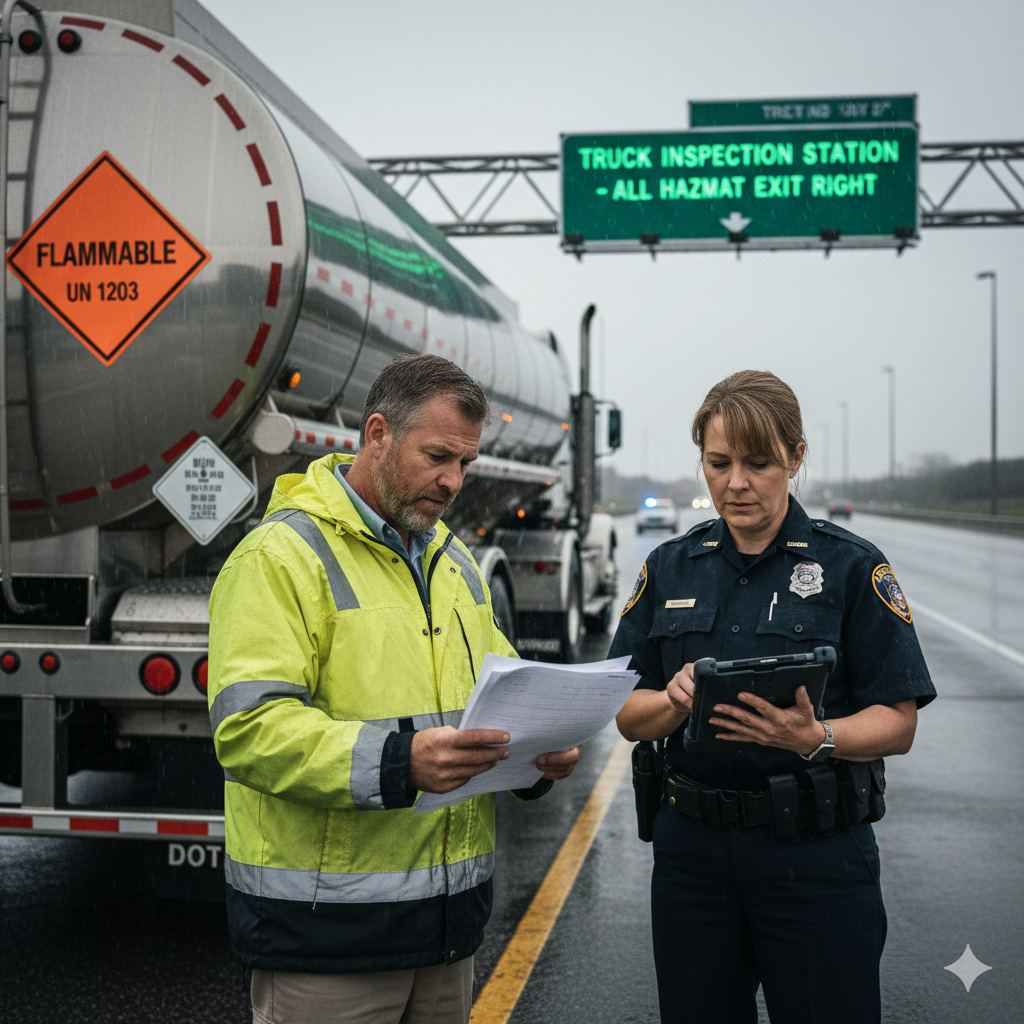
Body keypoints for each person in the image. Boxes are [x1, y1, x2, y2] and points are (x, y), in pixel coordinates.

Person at [208, 354, 579, 1024]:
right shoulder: (278, 559)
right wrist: (399, 762)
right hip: (326, 940)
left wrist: (539, 757)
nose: (453, 480)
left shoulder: (453, 561)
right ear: (377, 434)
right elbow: (249, 732)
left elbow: (505, 692)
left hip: (448, 936)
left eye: (465, 463)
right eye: (438, 456)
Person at [610, 370, 936, 1024]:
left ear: (795, 457)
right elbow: (625, 714)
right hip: (692, 861)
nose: (736, 483)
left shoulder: (850, 566)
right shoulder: (669, 567)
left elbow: (898, 722)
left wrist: (817, 737)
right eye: (718, 462)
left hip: (815, 857)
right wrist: (673, 703)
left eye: (758, 463)